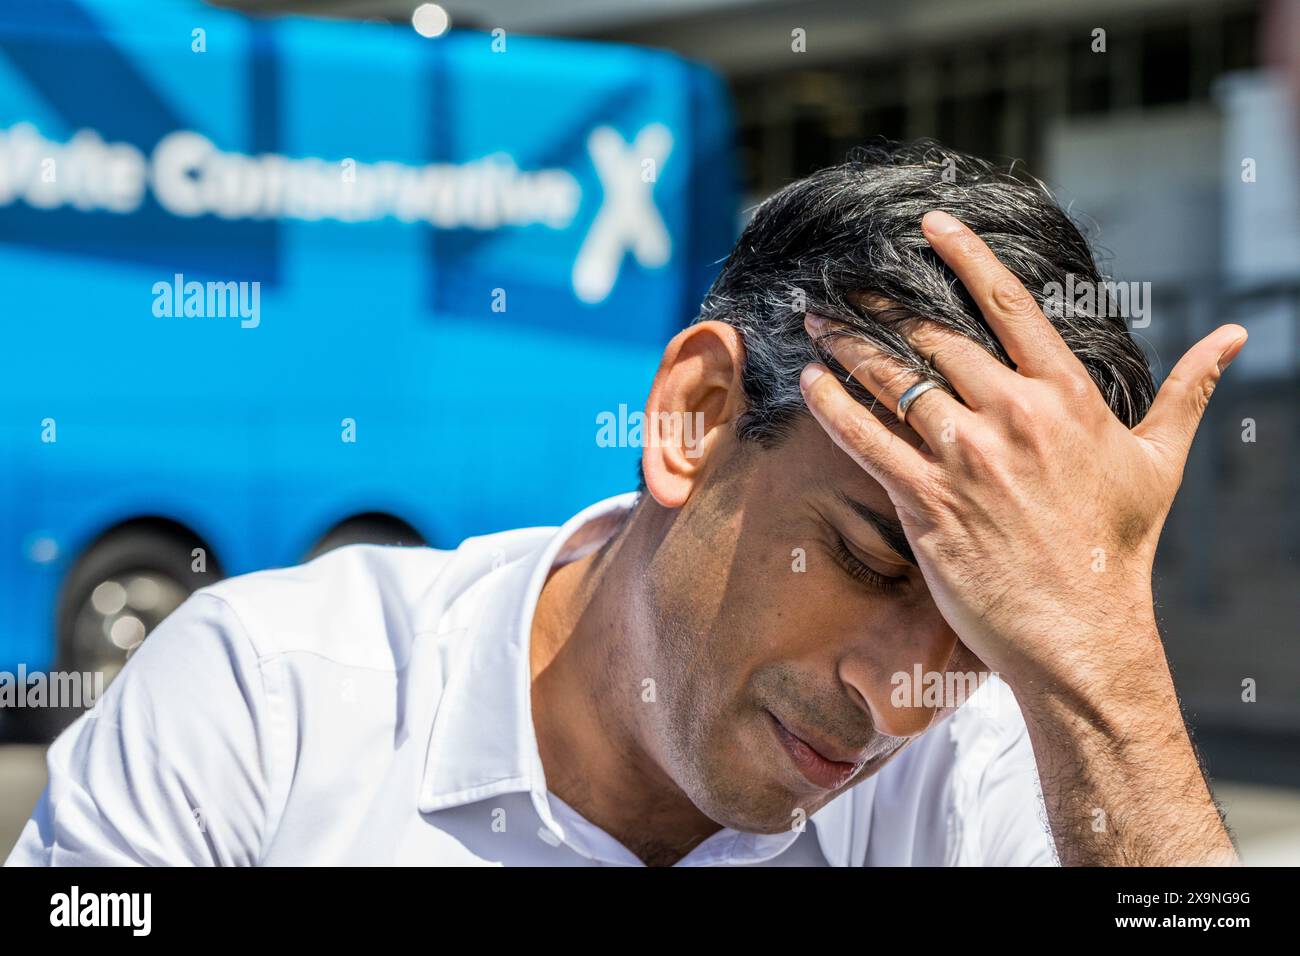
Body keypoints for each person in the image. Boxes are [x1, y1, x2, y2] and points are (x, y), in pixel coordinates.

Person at [7, 141, 1243, 867]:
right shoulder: (258, 701)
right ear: (696, 417)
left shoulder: (982, 768)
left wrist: (1101, 655)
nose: (900, 694)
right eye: (870, 557)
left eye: (982, 623)